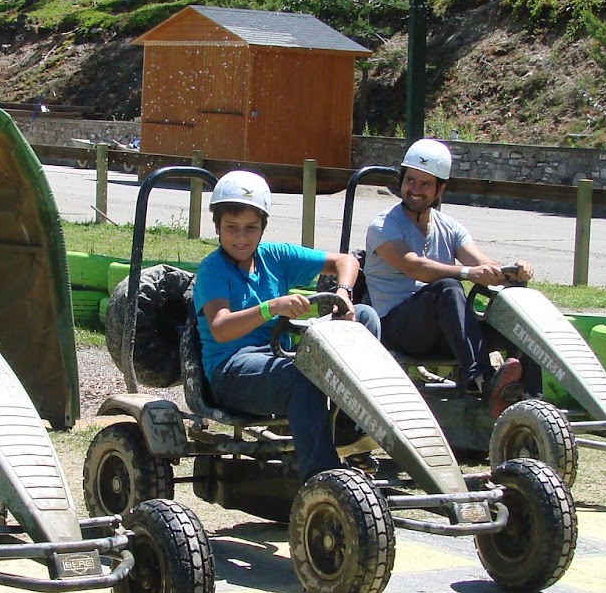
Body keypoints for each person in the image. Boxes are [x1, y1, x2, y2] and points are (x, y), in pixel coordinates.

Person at [194, 169, 382, 481]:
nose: (241, 238)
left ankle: (349, 428)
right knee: (300, 375)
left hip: (278, 356)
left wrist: (343, 293)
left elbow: (346, 262)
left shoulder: (275, 256)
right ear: (217, 227)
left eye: (250, 228)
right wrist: (271, 307)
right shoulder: (212, 269)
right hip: (232, 372)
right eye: (232, 228)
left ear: (262, 227)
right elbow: (221, 327)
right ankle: (322, 477)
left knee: (364, 317)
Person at [364, 137, 537, 413]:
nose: (415, 190)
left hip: (446, 329)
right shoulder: (383, 225)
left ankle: (532, 403)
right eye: (410, 181)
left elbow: (482, 264)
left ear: (440, 188)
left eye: (425, 184)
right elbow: (414, 266)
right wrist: (468, 273)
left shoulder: (450, 227)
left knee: (523, 328)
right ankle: (482, 381)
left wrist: (513, 272)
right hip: (398, 328)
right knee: (448, 286)